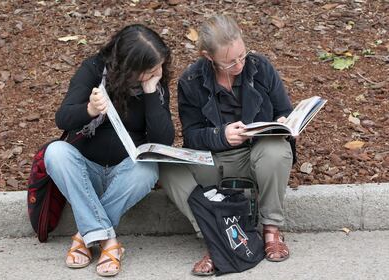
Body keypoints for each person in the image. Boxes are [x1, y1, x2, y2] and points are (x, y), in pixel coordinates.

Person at [159, 14, 294, 276]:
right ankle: (215, 236)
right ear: (208, 57)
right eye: (229, 61)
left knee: (276, 148)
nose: (239, 64)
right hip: (215, 162)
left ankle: (271, 229)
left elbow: (284, 111)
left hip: (256, 157)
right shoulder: (191, 80)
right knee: (166, 167)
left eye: (242, 55)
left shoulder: (260, 67)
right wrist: (221, 135)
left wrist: (285, 124)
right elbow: (192, 136)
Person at [44, 24, 174, 277]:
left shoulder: (154, 83)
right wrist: (90, 110)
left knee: (148, 169)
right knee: (55, 153)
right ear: (128, 68)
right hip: (86, 168)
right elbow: (63, 118)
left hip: (125, 173)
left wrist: (150, 92)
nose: (158, 71)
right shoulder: (93, 69)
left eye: (159, 65)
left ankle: (85, 236)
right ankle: (108, 240)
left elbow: (162, 141)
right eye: (150, 69)